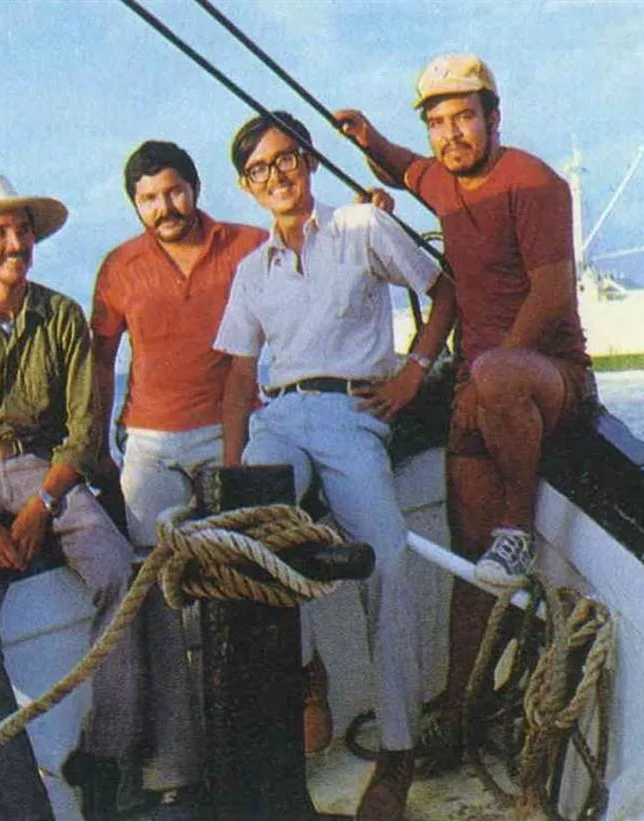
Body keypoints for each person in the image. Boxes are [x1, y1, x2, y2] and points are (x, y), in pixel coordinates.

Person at [335, 53, 596, 769]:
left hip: (550, 377)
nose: (451, 135)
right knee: (470, 562)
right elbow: (404, 169)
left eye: (464, 118)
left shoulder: (536, 184)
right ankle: (458, 715)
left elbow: (553, 299)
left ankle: (519, 530)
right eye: (438, 123)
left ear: (494, 117)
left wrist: (486, 377)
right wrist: (368, 139)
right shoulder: (443, 180)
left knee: (494, 378)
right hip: (482, 391)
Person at [214, 111, 457, 821]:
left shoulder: (361, 226)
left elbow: (444, 291)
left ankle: (398, 750)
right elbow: (239, 378)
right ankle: (306, 684)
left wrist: (413, 372)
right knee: (253, 543)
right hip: (280, 419)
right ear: (247, 186)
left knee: (387, 560)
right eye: (259, 169)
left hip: (354, 415)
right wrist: (232, 480)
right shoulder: (251, 271)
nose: (277, 176)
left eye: (287, 158)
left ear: (310, 161)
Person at [0, 174, 141, 821]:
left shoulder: (61, 316)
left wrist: (42, 505)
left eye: (22, 230)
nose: (15, 243)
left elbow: (82, 431)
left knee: (118, 572)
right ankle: (15, 804)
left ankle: (106, 756)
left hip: (50, 475)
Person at [90, 140, 273, 817]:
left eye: (173, 191)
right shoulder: (119, 267)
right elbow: (99, 359)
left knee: (253, 581)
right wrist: (97, 446)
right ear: (135, 205)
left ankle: (270, 735)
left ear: (194, 187)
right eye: (148, 198)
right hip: (151, 445)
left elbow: (310, 270)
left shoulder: (248, 244)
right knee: (158, 604)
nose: (164, 207)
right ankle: (175, 772)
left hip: (236, 432)